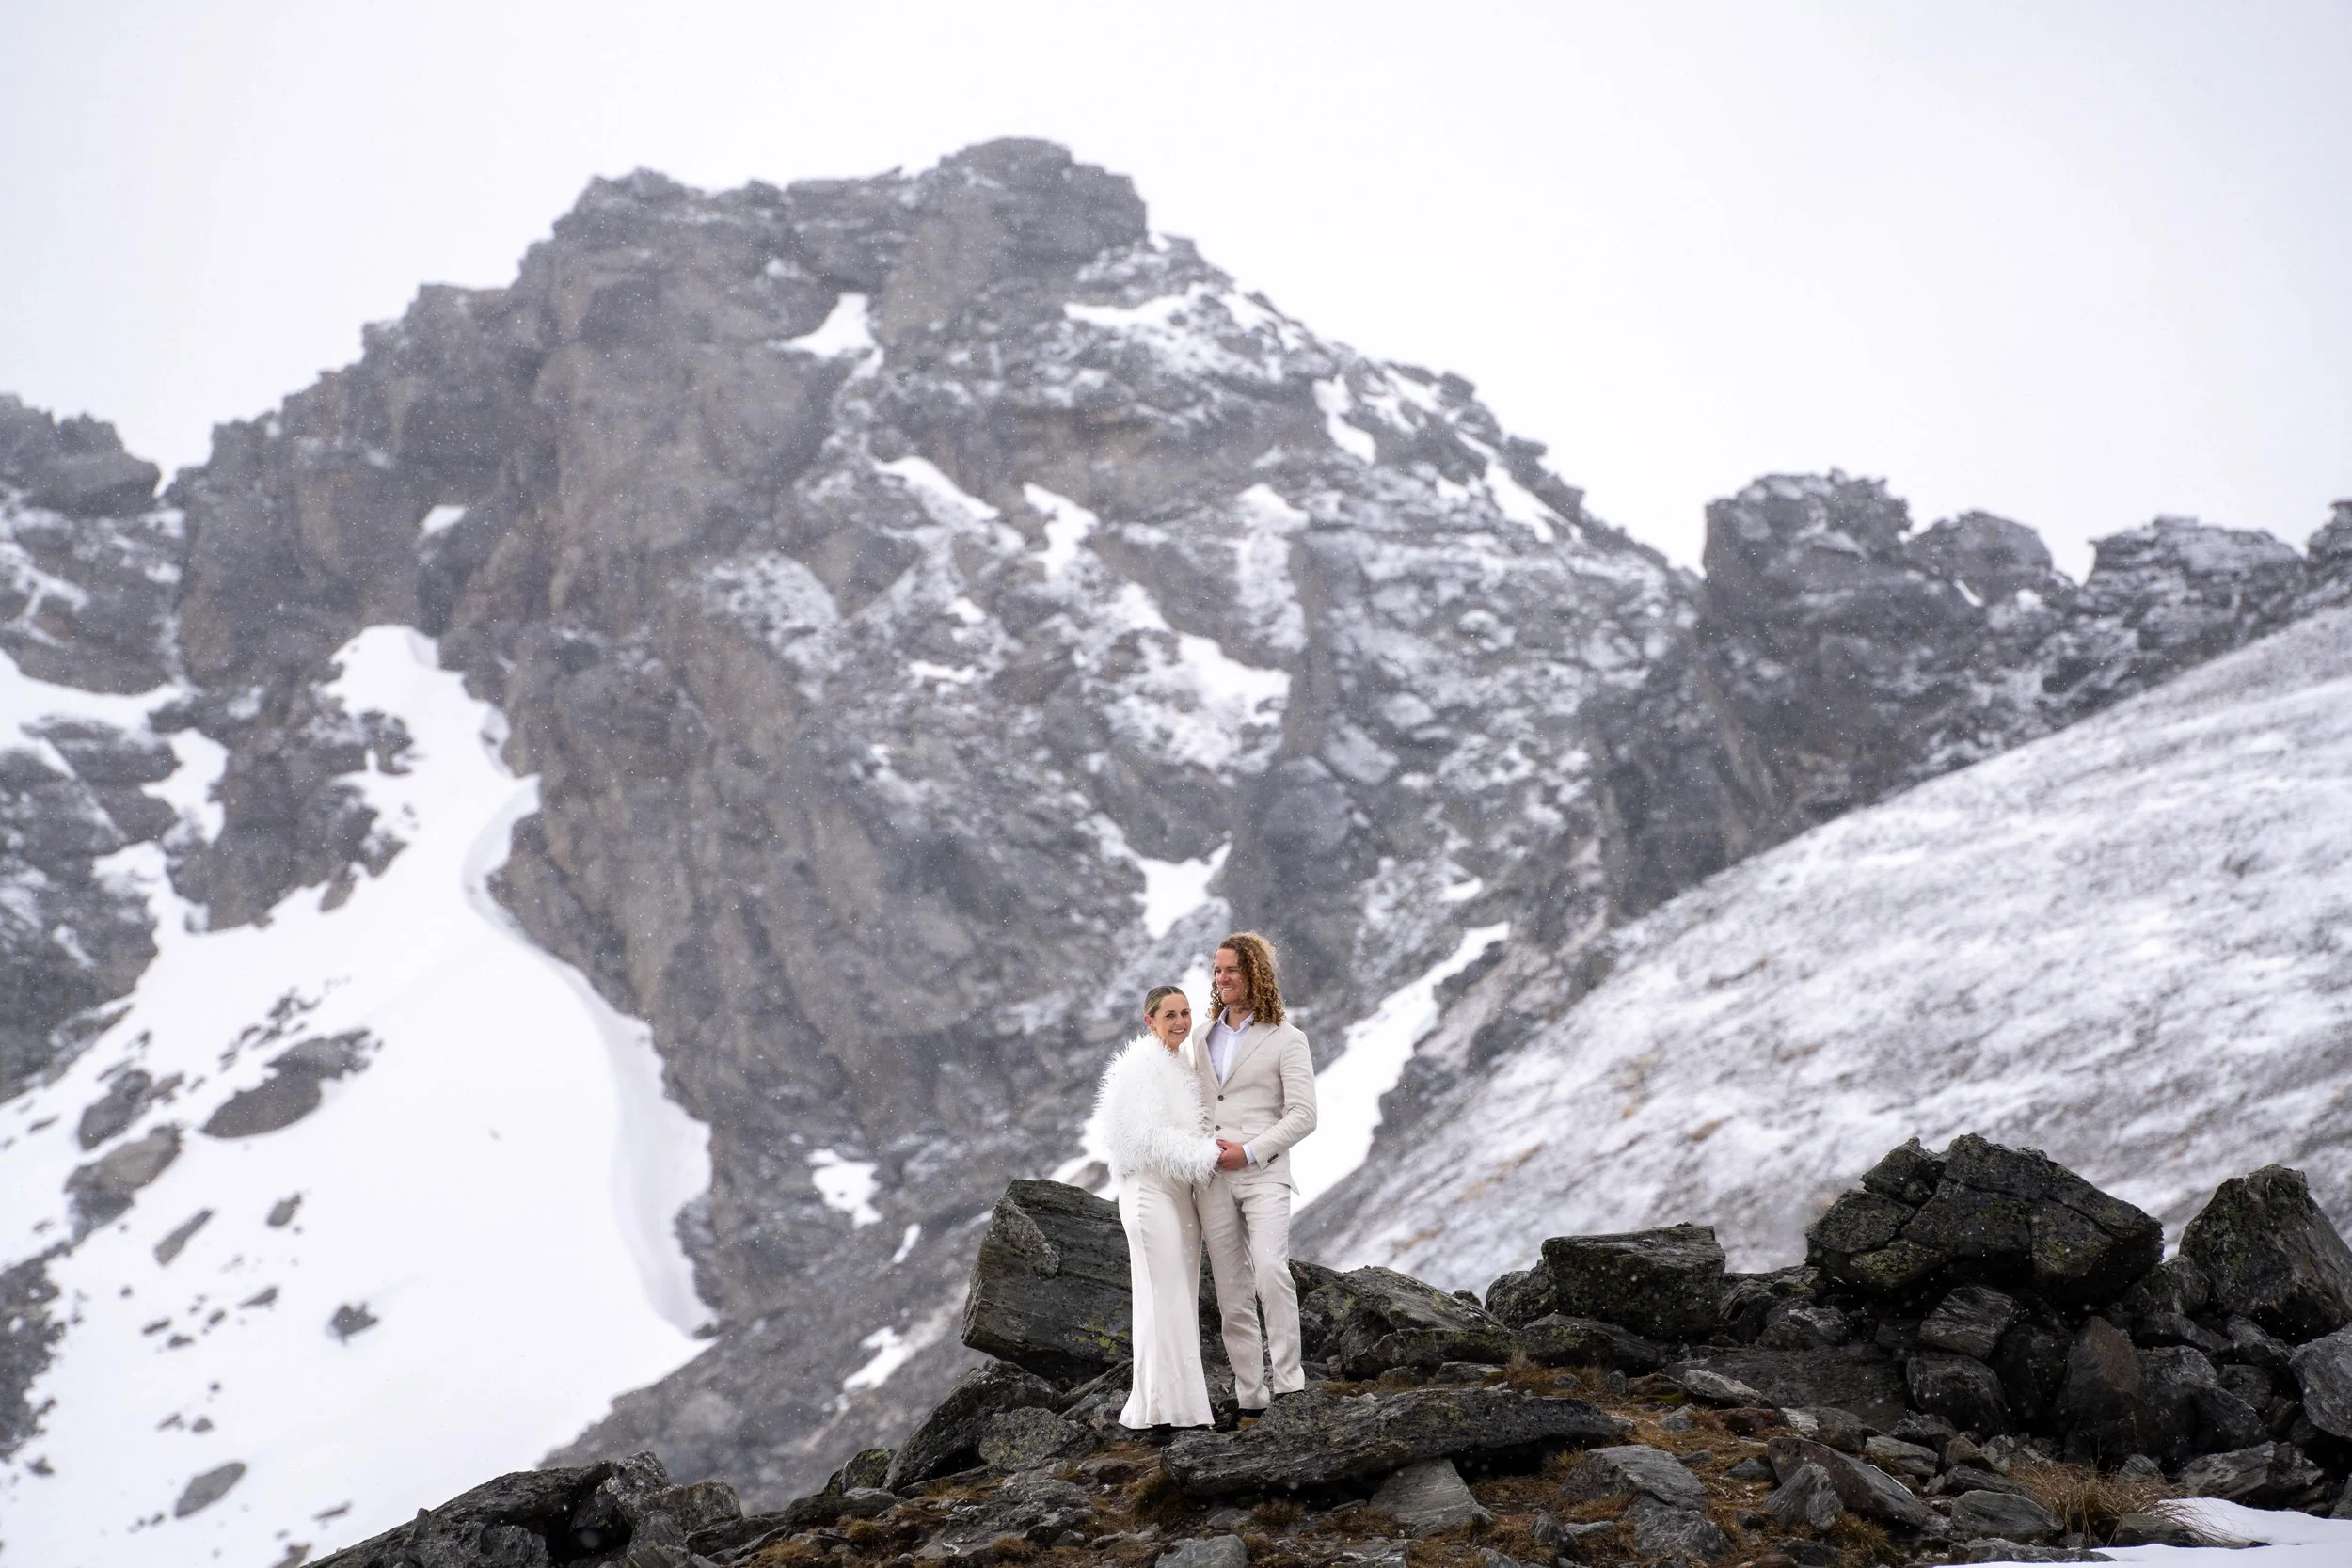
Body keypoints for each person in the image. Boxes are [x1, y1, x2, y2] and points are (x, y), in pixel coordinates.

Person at [1191, 931, 1317, 1413]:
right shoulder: (1201, 1036)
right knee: (1231, 1290)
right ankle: (1251, 1398)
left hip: (1264, 1172)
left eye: (1231, 970)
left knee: (1270, 1268)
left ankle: (1289, 1384)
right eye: (1217, 970)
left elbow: (1304, 1114)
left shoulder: (1288, 1039)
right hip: (1211, 1178)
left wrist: (1250, 1150)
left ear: (1254, 974)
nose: (1221, 978)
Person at [1095, 983, 1220, 1433]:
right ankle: (1177, 1413)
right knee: (1162, 1298)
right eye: (1169, 1015)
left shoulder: (1181, 1064)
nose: (1180, 1022)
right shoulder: (1141, 1066)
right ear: (1149, 1021)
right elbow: (1143, 1138)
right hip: (1150, 1193)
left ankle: (1157, 1408)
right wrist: (1207, 1154)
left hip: (1179, 1194)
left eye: (1185, 1013)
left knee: (1171, 1299)